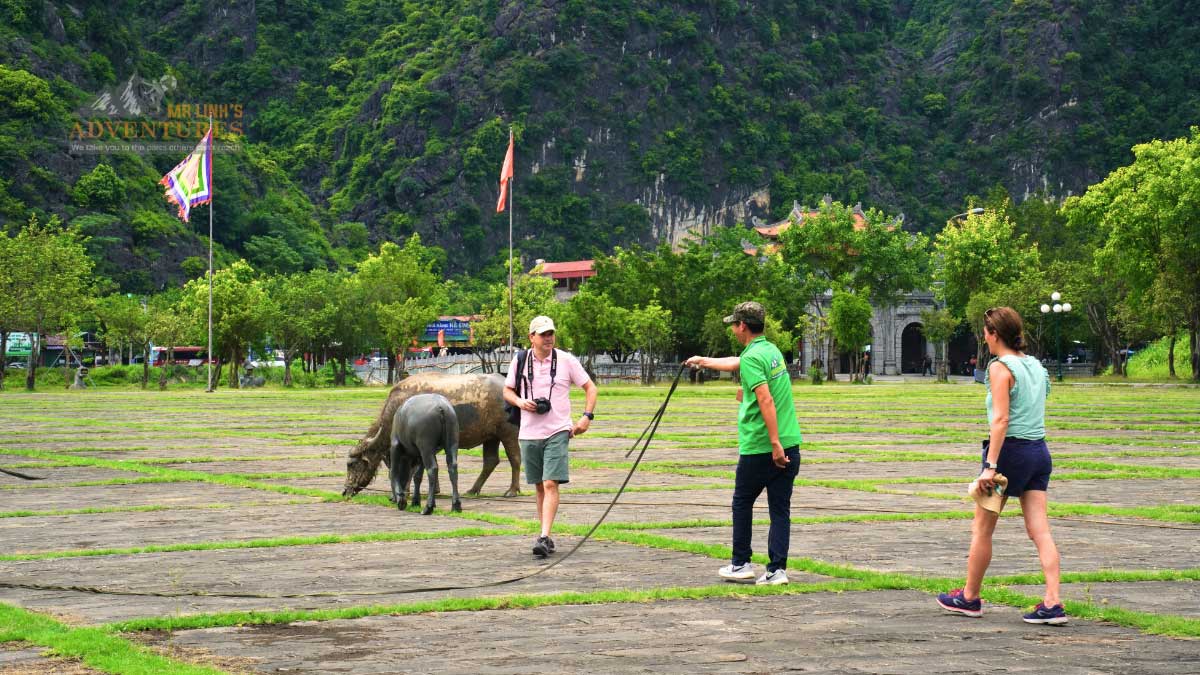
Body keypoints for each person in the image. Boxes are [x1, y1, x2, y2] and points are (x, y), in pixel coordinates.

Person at [937, 306, 1066, 625]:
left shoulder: (999, 367)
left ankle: (969, 597)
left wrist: (990, 465)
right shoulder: (1035, 365)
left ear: (994, 334)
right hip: (1039, 452)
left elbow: (1001, 420)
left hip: (1010, 453)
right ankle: (1053, 601)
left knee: (982, 528)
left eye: (985, 333)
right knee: (1040, 531)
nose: (984, 338)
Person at [684, 301, 802, 586]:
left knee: (742, 502)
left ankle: (740, 563)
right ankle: (777, 570)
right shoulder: (770, 351)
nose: (733, 330)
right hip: (791, 442)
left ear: (743, 326)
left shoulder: (751, 358)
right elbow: (736, 363)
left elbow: (765, 399)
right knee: (780, 510)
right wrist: (702, 360)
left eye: (734, 325)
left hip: (762, 447)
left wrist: (774, 443)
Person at [503, 315, 598, 558]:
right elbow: (507, 390)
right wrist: (520, 402)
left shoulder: (566, 360)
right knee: (539, 486)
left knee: (550, 483)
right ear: (531, 337)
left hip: (558, 430)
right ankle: (545, 534)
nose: (548, 338)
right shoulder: (520, 360)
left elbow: (590, 387)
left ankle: (544, 536)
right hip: (528, 432)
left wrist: (586, 417)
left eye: (551, 333)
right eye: (543, 334)